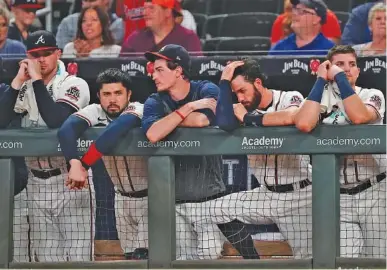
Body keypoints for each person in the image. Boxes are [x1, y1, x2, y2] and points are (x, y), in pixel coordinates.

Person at [187, 58, 315, 258]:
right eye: (235, 93)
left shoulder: (289, 96)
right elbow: (223, 122)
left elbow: (292, 116)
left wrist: (248, 118)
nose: (240, 97)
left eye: (242, 90)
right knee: (214, 209)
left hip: (300, 195)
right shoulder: (240, 108)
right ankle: (253, 262)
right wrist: (224, 82)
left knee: (308, 260)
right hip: (266, 195)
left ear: (257, 83)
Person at [0, 30, 92, 262]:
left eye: (47, 53)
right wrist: (18, 82)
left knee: (78, 259)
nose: (41, 59)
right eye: (35, 54)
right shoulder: (25, 86)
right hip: (36, 182)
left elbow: (57, 120)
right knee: (46, 261)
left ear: (58, 53)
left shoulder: (74, 83)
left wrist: (37, 82)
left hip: (70, 182)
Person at [294, 45, 386, 258]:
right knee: (343, 261)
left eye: (352, 65)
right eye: (340, 65)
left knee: (379, 259)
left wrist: (340, 79)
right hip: (338, 196)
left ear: (358, 70)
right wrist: (320, 81)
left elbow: (360, 117)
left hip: (376, 191)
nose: (347, 69)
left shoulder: (372, 94)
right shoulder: (321, 100)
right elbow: (305, 124)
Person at [142, 44, 225, 259]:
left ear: (178, 71)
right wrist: (187, 108)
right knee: (182, 262)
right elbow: (153, 133)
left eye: (160, 69)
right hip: (175, 202)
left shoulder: (206, 89)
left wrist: (170, 121)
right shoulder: (154, 101)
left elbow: (202, 120)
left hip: (210, 200)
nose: (153, 75)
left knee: (210, 257)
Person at [57, 68, 149, 259]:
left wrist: (84, 165)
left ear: (128, 94)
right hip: (121, 199)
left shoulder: (138, 108)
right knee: (130, 257)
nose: (112, 99)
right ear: (98, 95)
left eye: (118, 93)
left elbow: (113, 132)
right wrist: (74, 163)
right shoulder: (96, 110)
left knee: (145, 257)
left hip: (149, 197)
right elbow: (66, 130)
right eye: (106, 94)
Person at [120, 0, 202, 55]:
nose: (145, 13)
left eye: (151, 8)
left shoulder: (188, 38)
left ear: (167, 12)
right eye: (144, 8)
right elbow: (118, 73)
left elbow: (198, 75)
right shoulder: (134, 39)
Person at [269, 0, 335, 56]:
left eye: (302, 11)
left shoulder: (329, 51)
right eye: (294, 9)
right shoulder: (280, 48)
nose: (294, 13)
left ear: (316, 19)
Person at [56, 0, 123, 49]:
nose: (88, 5)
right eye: (85, 1)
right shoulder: (68, 22)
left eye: (92, 1)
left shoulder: (120, 25)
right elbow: (60, 53)